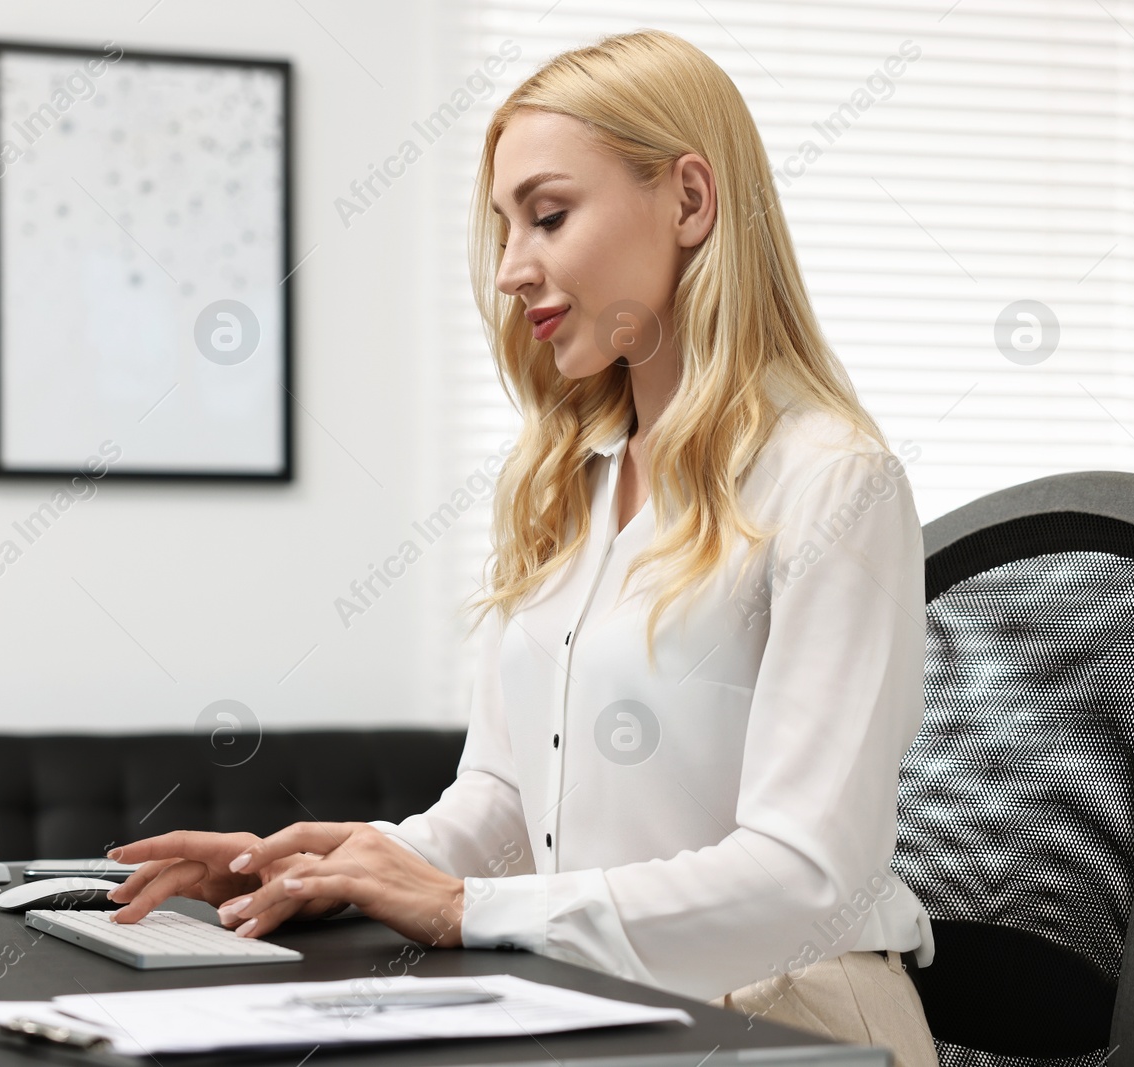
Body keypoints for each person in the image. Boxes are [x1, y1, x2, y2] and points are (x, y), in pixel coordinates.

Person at [105, 28, 939, 1066]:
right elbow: (503, 808)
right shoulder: (566, 484)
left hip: (787, 1019)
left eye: (548, 215)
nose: (509, 269)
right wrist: (332, 869)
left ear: (689, 201)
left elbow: (804, 878)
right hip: (594, 1001)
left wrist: (464, 907)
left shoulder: (831, 481)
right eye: (503, 226)